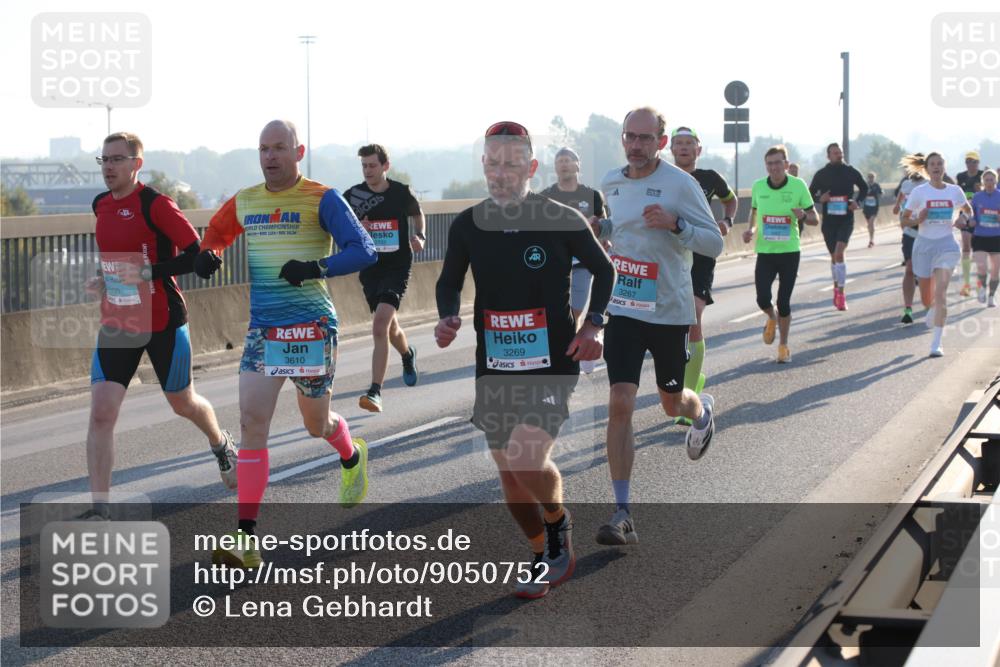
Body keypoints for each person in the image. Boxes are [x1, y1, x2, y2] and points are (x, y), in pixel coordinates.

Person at [435, 121, 614, 598]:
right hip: (494, 362)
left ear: (531, 167)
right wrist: (448, 316)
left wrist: (594, 324)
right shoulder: (469, 224)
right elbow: (449, 280)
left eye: (512, 163)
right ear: (484, 166)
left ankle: (558, 526)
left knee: (527, 454)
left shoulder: (561, 219)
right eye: (493, 163)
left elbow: (604, 268)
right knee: (509, 473)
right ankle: (541, 550)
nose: (501, 172)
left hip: (553, 359)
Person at [196, 120, 377, 568]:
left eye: (279, 148)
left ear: (299, 152)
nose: (270, 157)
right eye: (263, 149)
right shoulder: (247, 201)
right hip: (264, 330)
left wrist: (315, 267)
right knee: (252, 422)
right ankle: (246, 538)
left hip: (312, 328)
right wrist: (210, 254)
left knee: (315, 424)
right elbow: (216, 233)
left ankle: (351, 455)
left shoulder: (322, 197)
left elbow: (365, 249)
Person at [81, 132, 236, 520]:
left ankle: (220, 443)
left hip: (163, 319)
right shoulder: (100, 205)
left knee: (182, 402)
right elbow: (120, 260)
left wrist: (149, 272)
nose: (109, 167)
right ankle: (100, 508)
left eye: (117, 159)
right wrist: (105, 279)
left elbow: (198, 256)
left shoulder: (157, 205)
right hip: (118, 319)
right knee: (101, 413)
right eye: (104, 160)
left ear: (137, 164)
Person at [592, 107, 723, 546]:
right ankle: (622, 511)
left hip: (668, 310)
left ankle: (700, 410)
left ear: (661, 142)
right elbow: (621, 227)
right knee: (620, 403)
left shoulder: (681, 185)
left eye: (646, 138)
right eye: (630, 136)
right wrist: (601, 227)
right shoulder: (611, 181)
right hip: (625, 306)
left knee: (671, 405)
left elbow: (714, 242)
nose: (636, 145)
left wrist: (677, 224)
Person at [343, 144, 424, 413]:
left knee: (379, 326)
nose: (367, 171)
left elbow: (417, 213)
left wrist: (419, 235)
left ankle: (375, 391)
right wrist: (358, 228)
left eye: (372, 165)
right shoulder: (353, 196)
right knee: (390, 328)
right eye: (364, 166)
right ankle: (407, 354)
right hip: (370, 268)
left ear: (385, 166)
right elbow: (340, 226)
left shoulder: (401, 192)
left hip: (398, 265)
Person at [669, 126, 738, 425]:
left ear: (699, 150)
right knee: (673, 327)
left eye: (689, 143)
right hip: (670, 256)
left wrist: (727, 220)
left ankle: (688, 394)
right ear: (670, 148)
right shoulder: (662, 176)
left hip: (701, 255)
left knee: (694, 316)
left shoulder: (710, 177)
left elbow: (731, 199)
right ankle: (689, 379)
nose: (684, 148)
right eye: (678, 143)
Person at [742, 145, 818, 363]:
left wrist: (803, 215)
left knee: (784, 301)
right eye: (770, 164)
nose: (774, 167)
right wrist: (751, 230)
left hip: (789, 252)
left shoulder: (798, 185)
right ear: (766, 166)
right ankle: (771, 318)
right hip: (765, 252)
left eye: (778, 163)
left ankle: (783, 346)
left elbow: (815, 219)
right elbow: (755, 212)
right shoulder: (758, 186)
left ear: (786, 165)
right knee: (762, 298)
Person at [539, 147, 609, 374]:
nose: (564, 164)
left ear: (578, 165)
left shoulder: (592, 195)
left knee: (575, 313)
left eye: (568, 160)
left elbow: (603, 225)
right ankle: (569, 353)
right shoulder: (546, 195)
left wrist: (600, 239)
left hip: (582, 264)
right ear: (555, 167)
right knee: (557, 314)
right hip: (554, 266)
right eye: (559, 161)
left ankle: (579, 349)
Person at [901, 152, 973, 357]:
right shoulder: (919, 192)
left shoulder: (954, 190)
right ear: (926, 168)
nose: (936, 167)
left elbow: (968, 210)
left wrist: (962, 219)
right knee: (926, 299)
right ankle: (930, 307)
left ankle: (936, 343)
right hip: (923, 246)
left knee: (941, 293)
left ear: (944, 167)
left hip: (947, 246)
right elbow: (904, 221)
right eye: (932, 164)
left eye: (939, 163)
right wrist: (918, 218)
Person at [809, 143, 868, 310]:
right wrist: (821, 198)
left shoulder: (850, 171)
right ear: (828, 156)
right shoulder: (821, 174)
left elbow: (864, 188)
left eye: (840, 152)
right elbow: (809, 194)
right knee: (834, 257)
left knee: (839, 253)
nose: (839, 155)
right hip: (829, 221)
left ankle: (842, 293)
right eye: (835, 153)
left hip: (846, 219)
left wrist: (858, 202)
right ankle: (836, 287)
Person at [893, 159, 927, 324]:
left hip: (929, 233)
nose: (915, 172)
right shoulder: (906, 184)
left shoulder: (930, 184)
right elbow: (901, 194)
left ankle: (930, 303)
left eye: (919, 168)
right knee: (910, 268)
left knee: (928, 272)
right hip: (910, 232)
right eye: (912, 169)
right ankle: (908, 308)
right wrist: (897, 205)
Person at [970, 168, 1000, 306]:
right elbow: (971, 215)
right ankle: (982, 287)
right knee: (982, 268)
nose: (989, 182)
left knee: (995, 270)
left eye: (992, 179)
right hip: (980, 236)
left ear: (996, 180)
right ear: (983, 181)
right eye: (987, 180)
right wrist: (971, 221)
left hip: (996, 237)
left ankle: (991, 296)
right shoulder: (977, 197)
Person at [956, 150, 984, 296]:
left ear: (978, 163)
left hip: (981, 217)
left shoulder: (982, 176)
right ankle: (966, 284)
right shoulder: (960, 177)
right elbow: (958, 195)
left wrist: (981, 191)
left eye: (974, 161)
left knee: (979, 251)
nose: (971, 164)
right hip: (966, 215)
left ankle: (980, 282)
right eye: (968, 161)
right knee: (966, 247)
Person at [863, 172, 883, 248]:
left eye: (872, 177)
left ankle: (871, 240)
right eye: (869, 177)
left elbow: (881, 192)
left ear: (874, 178)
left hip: (874, 207)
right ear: (867, 177)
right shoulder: (865, 185)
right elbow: (861, 193)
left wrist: (880, 193)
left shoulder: (876, 185)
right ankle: (871, 238)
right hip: (867, 207)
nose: (871, 178)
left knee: (871, 223)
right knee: (869, 225)